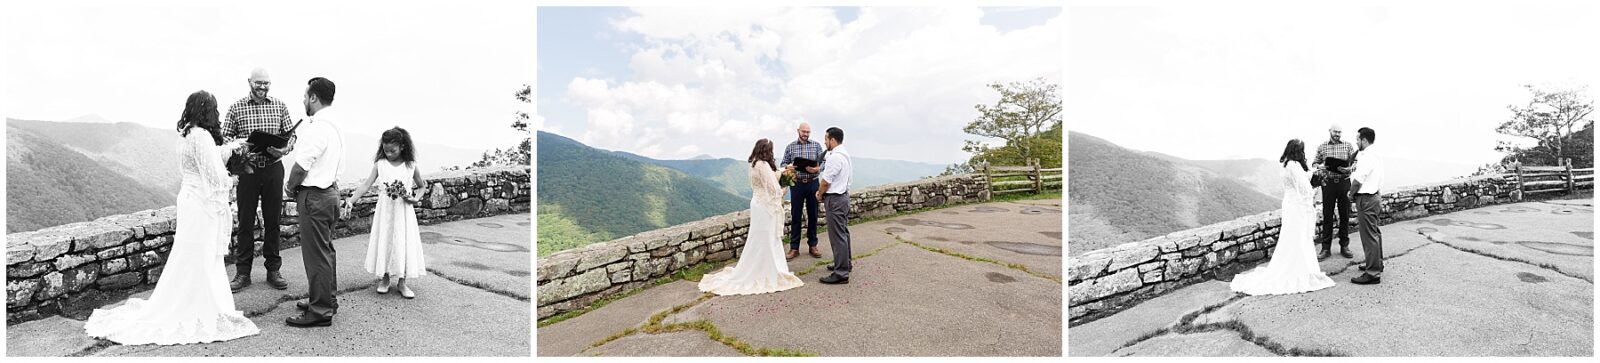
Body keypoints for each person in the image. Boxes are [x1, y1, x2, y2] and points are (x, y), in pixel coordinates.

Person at [84, 91, 261, 344]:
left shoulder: (188, 133)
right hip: (202, 204)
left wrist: (231, 149)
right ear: (209, 111)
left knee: (189, 255)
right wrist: (233, 179)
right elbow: (215, 177)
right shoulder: (201, 136)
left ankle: (194, 301)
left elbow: (207, 158)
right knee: (202, 256)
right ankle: (203, 307)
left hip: (190, 199)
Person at [698, 139, 804, 295]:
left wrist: (783, 170)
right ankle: (769, 270)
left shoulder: (754, 163)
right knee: (768, 238)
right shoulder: (764, 165)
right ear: (767, 151)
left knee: (758, 238)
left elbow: (770, 176)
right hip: (766, 207)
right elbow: (773, 189)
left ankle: (758, 266)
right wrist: (784, 189)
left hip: (757, 204)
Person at [1229, 139, 1336, 295]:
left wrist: (1313, 172)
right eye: (1302, 151)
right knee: (1299, 238)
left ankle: (1294, 266)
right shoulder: (1295, 165)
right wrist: (1315, 187)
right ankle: (1300, 270)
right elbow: (1304, 188)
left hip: (1289, 204)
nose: (1303, 154)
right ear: (1298, 151)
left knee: (1290, 237)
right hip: (1297, 206)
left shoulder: (1286, 163)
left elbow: (1299, 178)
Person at [225, 68, 296, 292]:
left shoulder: (280, 105)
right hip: (248, 171)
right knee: (245, 221)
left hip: (274, 168)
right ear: (249, 82)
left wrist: (283, 150)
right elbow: (225, 137)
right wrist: (241, 145)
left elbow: (291, 135)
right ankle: (243, 272)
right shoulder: (236, 108)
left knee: (273, 220)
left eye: (266, 83)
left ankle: (273, 269)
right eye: (259, 83)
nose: (263, 87)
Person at [285, 77, 346, 327]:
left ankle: (320, 311)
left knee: (316, 255)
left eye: (305, 95)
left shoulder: (316, 127)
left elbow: (301, 167)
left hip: (315, 196)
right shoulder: (336, 125)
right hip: (331, 193)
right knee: (326, 250)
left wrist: (290, 187)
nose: (303, 100)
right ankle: (326, 300)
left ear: (313, 97)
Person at [349, 127, 427, 299]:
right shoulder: (380, 165)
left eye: (393, 151)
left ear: (402, 147)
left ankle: (402, 281)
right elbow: (365, 185)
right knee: (385, 239)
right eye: (385, 150)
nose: (389, 154)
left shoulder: (411, 166)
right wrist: (350, 200)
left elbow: (421, 187)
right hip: (385, 210)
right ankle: (384, 278)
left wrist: (415, 198)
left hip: (403, 211)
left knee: (403, 241)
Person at [780, 123, 825, 261]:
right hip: (797, 185)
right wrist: (789, 167)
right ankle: (794, 248)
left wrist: (817, 169)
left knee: (813, 215)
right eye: (804, 131)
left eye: (808, 132)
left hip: (813, 183)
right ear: (798, 131)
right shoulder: (790, 147)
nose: (806, 134)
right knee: (795, 216)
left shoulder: (817, 145)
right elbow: (782, 165)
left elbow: (823, 163)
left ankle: (813, 246)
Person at [1311, 124, 1355, 261]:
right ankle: (1325, 248)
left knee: (1345, 214)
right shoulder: (1322, 146)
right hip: (1328, 184)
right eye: (1335, 132)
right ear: (1329, 131)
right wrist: (1321, 166)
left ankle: (1344, 246)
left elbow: (1355, 163)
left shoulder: (1348, 146)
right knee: (1327, 215)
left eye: (1340, 132)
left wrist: (1350, 169)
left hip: (1344, 183)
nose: (1338, 134)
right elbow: (1314, 164)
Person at [1350, 127, 1387, 285]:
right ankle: (1376, 263)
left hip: (1366, 199)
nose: (1356, 141)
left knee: (1369, 236)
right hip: (1375, 196)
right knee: (1375, 233)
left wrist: (1350, 194)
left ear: (1364, 140)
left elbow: (1359, 179)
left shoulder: (1366, 156)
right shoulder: (1377, 154)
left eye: (1357, 139)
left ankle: (1372, 273)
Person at [817, 127, 853, 285]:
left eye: (826, 139)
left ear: (832, 140)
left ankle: (841, 273)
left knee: (837, 236)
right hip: (843, 196)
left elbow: (826, 181)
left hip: (835, 199)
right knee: (843, 233)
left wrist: (819, 194)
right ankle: (845, 263)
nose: (824, 142)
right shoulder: (845, 154)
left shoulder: (834, 157)